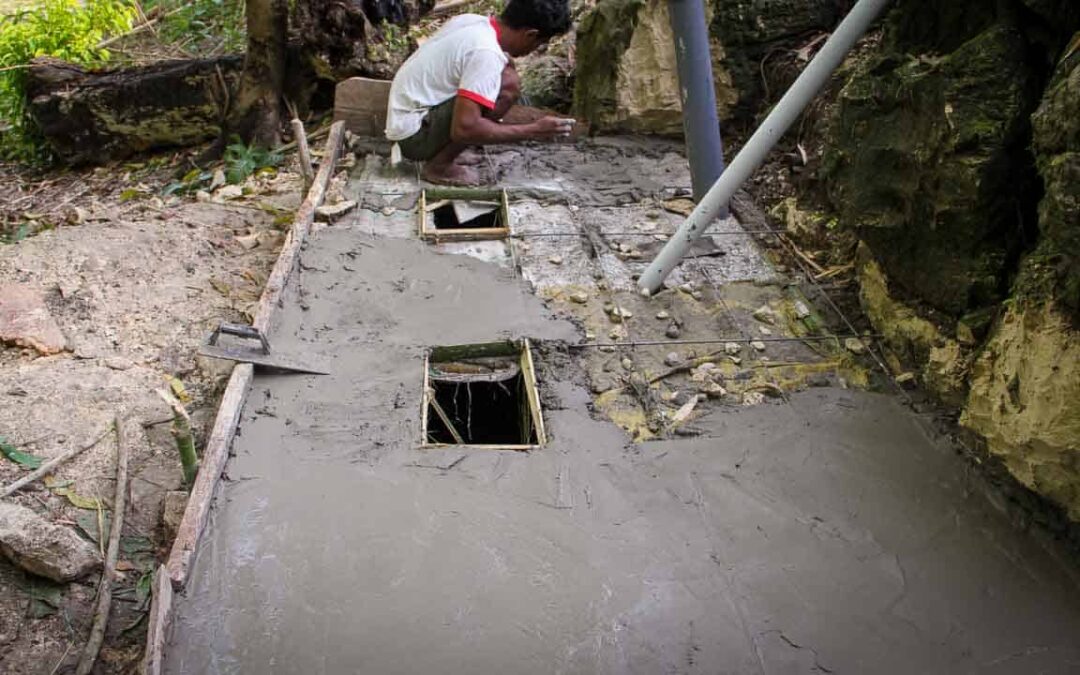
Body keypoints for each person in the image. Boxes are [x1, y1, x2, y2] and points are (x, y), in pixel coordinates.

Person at [384, 0, 574, 185]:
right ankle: (439, 165)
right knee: (507, 87)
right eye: (540, 43)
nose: (535, 50)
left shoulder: (473, 22)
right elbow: (464, 129)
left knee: (505, 74)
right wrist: (533, 131)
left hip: (406, 118)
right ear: (531, 35)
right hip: (413, 137)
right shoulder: (486, 52)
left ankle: (447, 150)